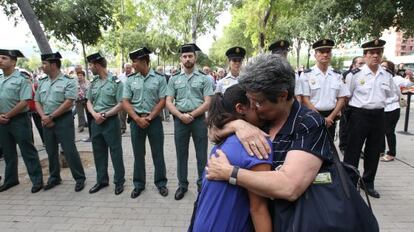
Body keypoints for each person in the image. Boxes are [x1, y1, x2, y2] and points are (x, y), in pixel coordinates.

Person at [205, 54, 336, 231]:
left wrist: (230, 173)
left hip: (296, 220)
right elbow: (214, 131)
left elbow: (290, 187)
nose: (253, 107)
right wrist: (238, 125)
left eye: (258, 102)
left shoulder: (308, 123)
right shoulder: (260, 118)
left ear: (282, 96)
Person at [192, 84, 272, 232]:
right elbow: (258, 209)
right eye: (257, 104)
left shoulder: (225, 137)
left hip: (203, 222)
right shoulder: (256, 144)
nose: (262, 108)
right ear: (240, 108)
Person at [344, 39, 396, 198]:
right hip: (359, 115)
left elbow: (390, 94)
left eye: (378, 53)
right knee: (353, 150)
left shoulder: (386, 75)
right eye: (371, 53)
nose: (375, 56)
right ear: (365, 56)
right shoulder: (355, 75)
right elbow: (347, 95)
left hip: (379, 115)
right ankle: (350, 182)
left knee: (374, 151)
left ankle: (368, 183)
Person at [166, 43, 214, 200]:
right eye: (184, 56)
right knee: (181, 155)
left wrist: (191, 115)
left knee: (201, 155)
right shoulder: (173, 79)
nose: (187, 59)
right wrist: (180, 116)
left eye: (190, 56)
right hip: (180, 121)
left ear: (195, 57)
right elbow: (168, 101)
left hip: (198, 120)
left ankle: (202, 185)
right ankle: (182, 185)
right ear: (181, 58)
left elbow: (208, 102)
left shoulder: (204, 78)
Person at [35, 52, 86, 192]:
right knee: (50, 151)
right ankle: (54, 177)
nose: (42, 66)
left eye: (44, 63)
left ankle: (80, 178)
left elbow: (69, 102)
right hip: (46, 120)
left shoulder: (68, 81)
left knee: (69, 150)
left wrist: (51, 117)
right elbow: (37, 101)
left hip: (63, 120)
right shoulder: (42, 81)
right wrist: (44, 117)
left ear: (53, 65)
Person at [122, 47, 169, 198]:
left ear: (144, 61)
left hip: (153, 121)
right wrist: (137, 118)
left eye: (135, 61)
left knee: (158, 154)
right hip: (136, 122)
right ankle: (138, 184)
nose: (132, 64)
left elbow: (163, 100)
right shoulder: (130, 80)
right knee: (138, 154)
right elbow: (125, 101)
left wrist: (149, 117)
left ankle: (161, 183)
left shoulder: (159, 78)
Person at [0, 49, 43, 193]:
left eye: (4, 58)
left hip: (19, 120)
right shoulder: (0, 78)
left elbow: (25, 101)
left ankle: (37, 180)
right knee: (8, 152)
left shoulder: (22, 79)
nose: (0, 60)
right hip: (2, 121)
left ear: (13, 62)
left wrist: (8, 115)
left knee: (27, 150)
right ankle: (11, 179)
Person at [85, 52, 125, 195]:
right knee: (98, 152)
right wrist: (95, 114)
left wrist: (106, 114)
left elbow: (121, 103)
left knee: (116, 152)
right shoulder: (93, 83)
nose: (90, 68)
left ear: (97, 65)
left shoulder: (116, 82)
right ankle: (101, 180)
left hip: (111, 121)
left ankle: (119, 181)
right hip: (96, 122)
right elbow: (88, 101)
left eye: (91, 65)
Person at [298, 39, 349, 140]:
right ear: (315, 55)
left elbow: (342, 98)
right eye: (321, 52)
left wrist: (330, 117)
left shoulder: (337, 75)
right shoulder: (307, 74)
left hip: (331, 117)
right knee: (311, 146)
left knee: (329, 147)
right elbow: (305, 99)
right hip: (312, 115)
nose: (325, 55)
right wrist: (321, 118)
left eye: (328, 52)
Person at [380, 60, 413, 162]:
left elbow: (409, 83)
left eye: (385, 67)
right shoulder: (378, 78)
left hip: (393, 108)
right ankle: (380, 150)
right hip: (381, 108)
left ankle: (391, 153)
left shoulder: (396, 79)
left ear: (390, 68)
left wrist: (411, 77)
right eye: (381, 66)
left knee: (389, 131)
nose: (383, 68)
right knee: (379, 130)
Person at [339, 56, 365, 154]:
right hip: (348, 105)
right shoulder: (347, 74)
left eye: (364, 63)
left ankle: (358, 149)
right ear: (354, 65)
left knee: (359, 131)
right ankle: (344, 146)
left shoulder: (365, 75)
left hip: (360, 108)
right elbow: (346, 93)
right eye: (360, 63)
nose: (363, 66)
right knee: (345, 127)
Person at [118, 63, 133, 134]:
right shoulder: (120, 77)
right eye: (127, 68)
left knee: (132, 113)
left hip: (132, 98)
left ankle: (133, 126)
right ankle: (122, 128)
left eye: (130, 68)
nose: (128, 69)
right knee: (122, 114)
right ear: (124, 68)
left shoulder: (135, 76)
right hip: (123, 98)